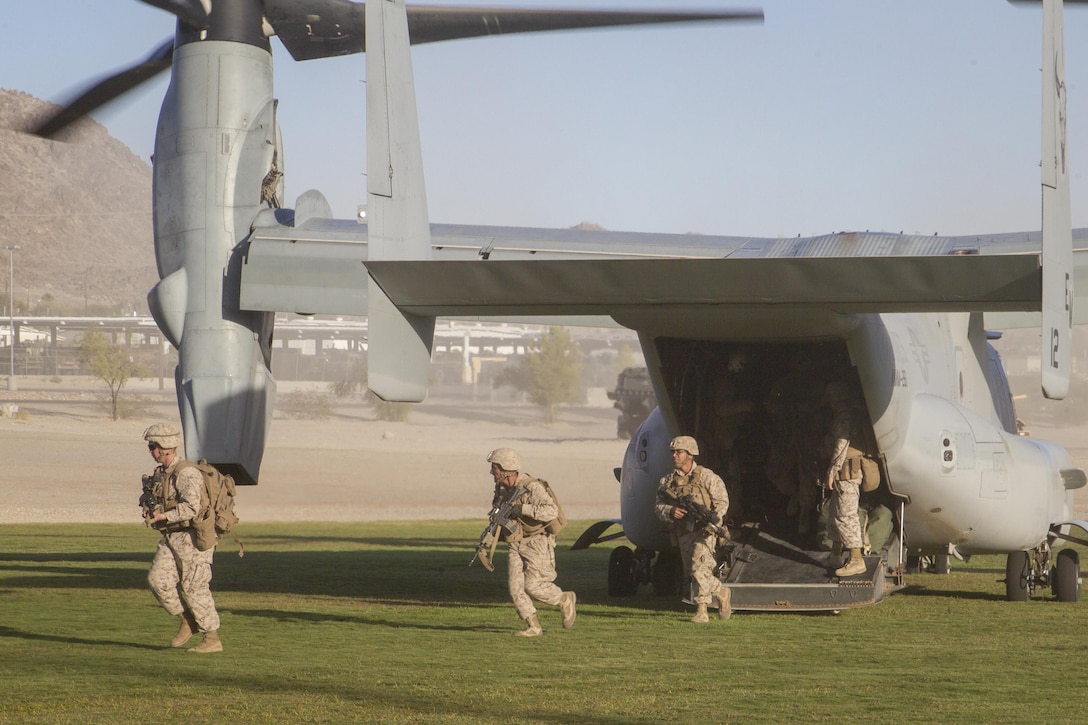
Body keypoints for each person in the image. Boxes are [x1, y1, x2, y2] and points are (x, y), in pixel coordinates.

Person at [141, 423, 223, 653]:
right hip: (172, 537)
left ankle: (212, 638)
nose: (150, 451)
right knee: (159, 580)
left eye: (153, 446)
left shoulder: (186, 473)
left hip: (193, 538)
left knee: (195, 587)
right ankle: (187, 621)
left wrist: (163, 516)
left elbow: (192, 508)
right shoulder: (162, 474)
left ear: (165, 447)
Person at [486, 448, 576, 637]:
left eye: (494, 468)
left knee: (533, 586)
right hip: (515, 541)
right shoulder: (502, 489)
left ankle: (564, 599)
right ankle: (533, 626)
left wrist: (522, 509)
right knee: (515, 588)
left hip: (537, 542)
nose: (491, 472)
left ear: (505, 469)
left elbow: (550, 511)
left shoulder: (532, 486)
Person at [654, 436, 731, 622]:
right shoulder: (667, 481)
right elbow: (658, 506)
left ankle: (702, 610)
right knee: (694, 571)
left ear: (690, 454)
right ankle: (721, 591)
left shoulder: (706, 476)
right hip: (683, 532)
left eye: (679, 452)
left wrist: (713, 526)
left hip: (705, 530)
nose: (675, 456)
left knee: (699, 567)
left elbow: (722, 502)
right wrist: (671, 510)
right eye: (672, 452)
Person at [822, 383, 867, 577]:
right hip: (845, 472)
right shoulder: (845, 415)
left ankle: (856, 559)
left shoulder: (844, 417)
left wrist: (832, 470)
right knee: (835, 512)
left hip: (847, 472)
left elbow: (841, 444)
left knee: (845, 515)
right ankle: (835, 554)